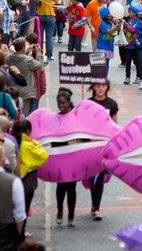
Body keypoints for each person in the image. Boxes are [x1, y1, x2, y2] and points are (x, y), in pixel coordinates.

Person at [86, 81, 117, 221]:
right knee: (92, 176)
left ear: (107, 88)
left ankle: (96, 207)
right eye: (98, 86)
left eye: (103, 86)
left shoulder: (111, 104)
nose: (101, 88)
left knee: (100, 176)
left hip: (104, 146)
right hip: (89, 146)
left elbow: (115, 125)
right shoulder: (87, 103)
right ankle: (94, 204)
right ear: (93, 87)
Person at [53, 89, 79, 226]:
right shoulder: (56, 118)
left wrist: (77, 141)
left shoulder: (75, 116)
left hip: (73, 157)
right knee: (61, 186)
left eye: (63, 103)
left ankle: (71, 216)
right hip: (60, 157)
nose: (61, 106)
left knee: (71, 188)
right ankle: (59, 211)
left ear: (69, 103)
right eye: (58, 103)